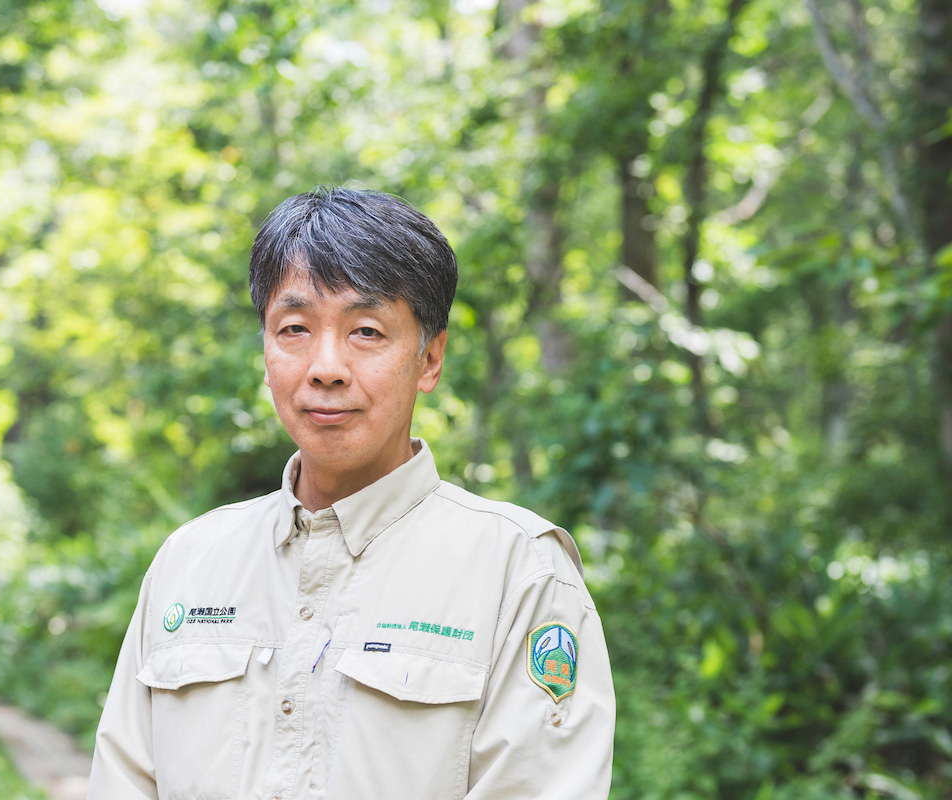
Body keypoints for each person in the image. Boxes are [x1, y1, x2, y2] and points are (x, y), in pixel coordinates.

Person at [88, 187, 615, 800]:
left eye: (366, 331)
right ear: (265, 352)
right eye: (294, 328)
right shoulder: (190, 561)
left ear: (430, 359)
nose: (326, 367)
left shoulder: (519, 572)